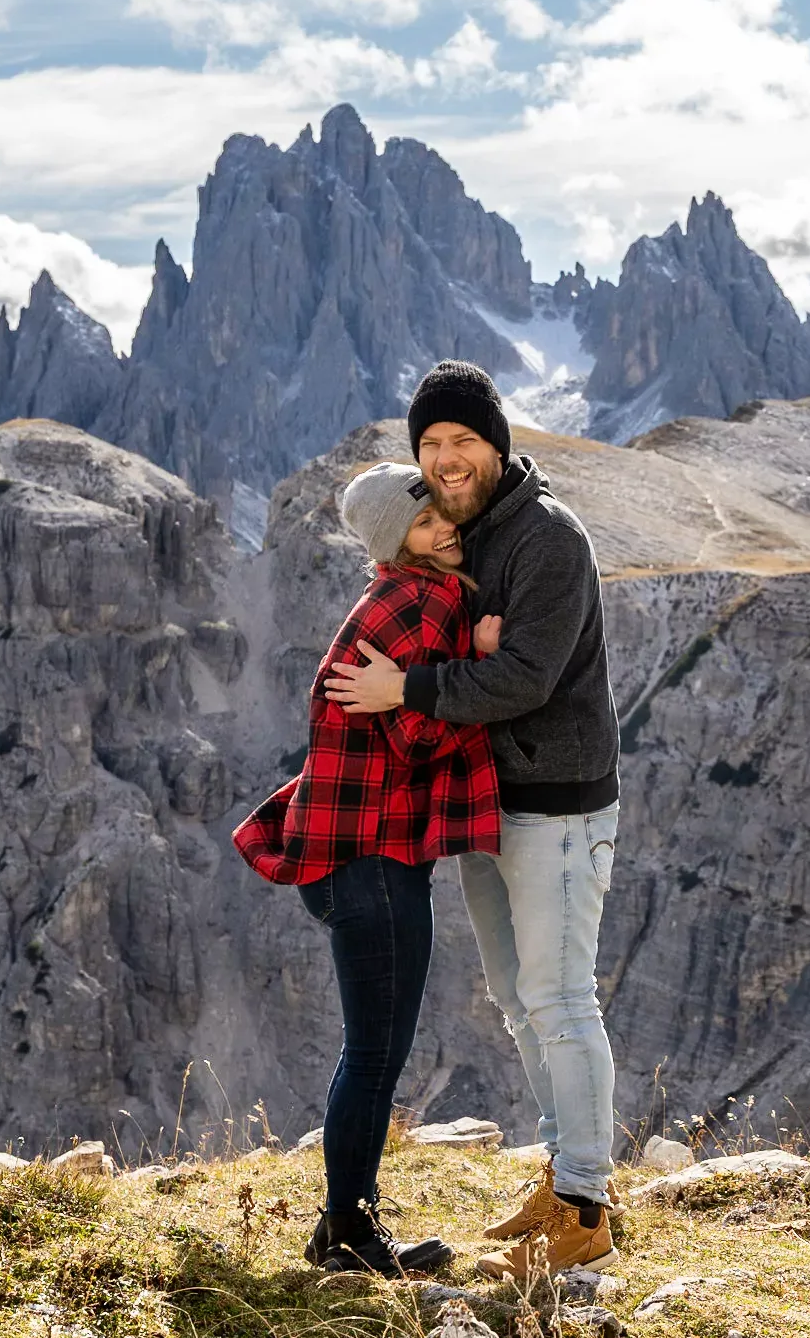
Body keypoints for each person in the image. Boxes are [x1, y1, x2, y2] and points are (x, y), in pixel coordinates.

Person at [324, 361, 623, 1278]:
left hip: (557, 806)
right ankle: (561, 1176)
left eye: (463, 440)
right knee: (518, 1000)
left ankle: (586, 1204)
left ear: (497, 444)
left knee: (561, 999)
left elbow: (525, 678)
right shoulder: (467, 533)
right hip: (490, 804)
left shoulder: (548, 539)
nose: (447, 459)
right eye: (431, 444)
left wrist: (405, 687)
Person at [233, 462, 502, 1278]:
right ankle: (348, 1231)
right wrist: (483, 667)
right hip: (372, 862)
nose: (444, 528)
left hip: (352, 854)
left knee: (373, 1050)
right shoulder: (419, 603)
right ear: (396, 540)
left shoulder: (400, 593)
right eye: (424, 523)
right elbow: (419, 736)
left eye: (441, 513)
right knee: (375, 1055)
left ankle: (344, 1225)